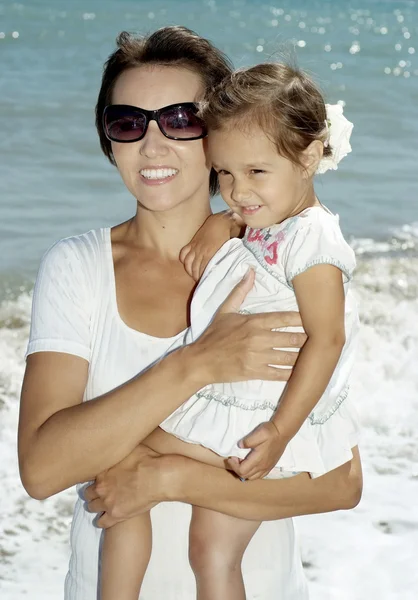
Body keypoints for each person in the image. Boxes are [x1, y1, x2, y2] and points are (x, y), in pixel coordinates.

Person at [17, 27, 362, 600]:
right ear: (109, 140)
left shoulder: (282, 264)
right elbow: (42, 469)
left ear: (223, 132)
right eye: (128, 122)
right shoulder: (77, 267)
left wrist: (170, 478)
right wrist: (195, 364)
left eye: (181, 119)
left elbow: (341, 484)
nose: (153, 145)